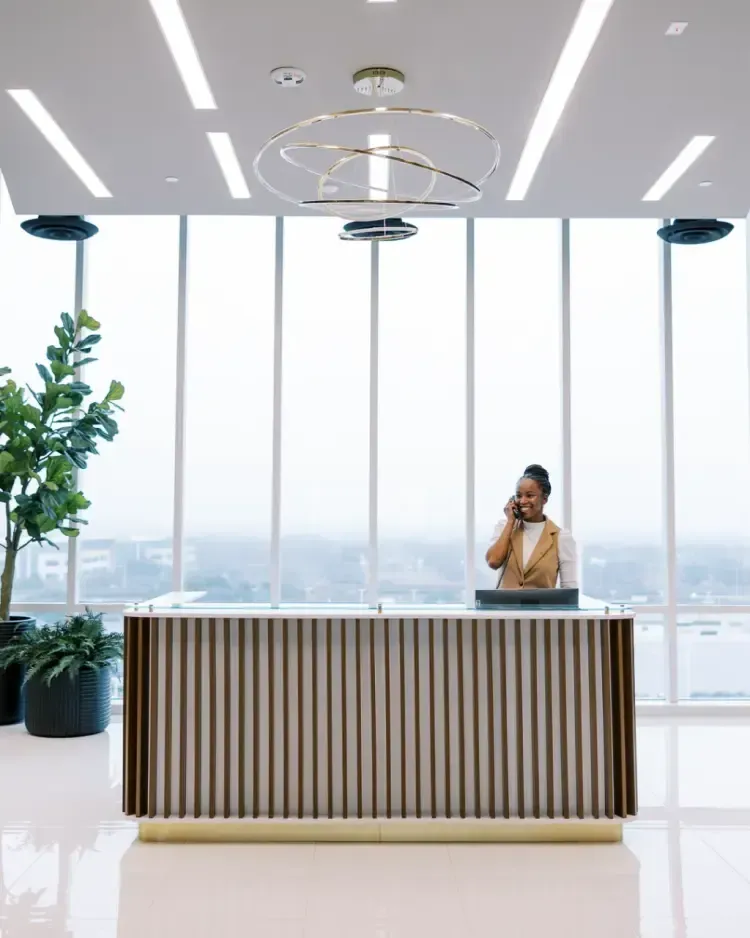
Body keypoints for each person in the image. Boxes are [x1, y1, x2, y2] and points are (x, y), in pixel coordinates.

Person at [485, 464, 577, 589]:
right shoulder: (504, 527)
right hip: (506, 608)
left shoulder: (561, 537)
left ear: (544, 499)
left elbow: (569, 589)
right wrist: (511, 522)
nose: (522, 501)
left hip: (542, 608)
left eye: (530, 495)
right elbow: (493, 562)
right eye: (518, 495)